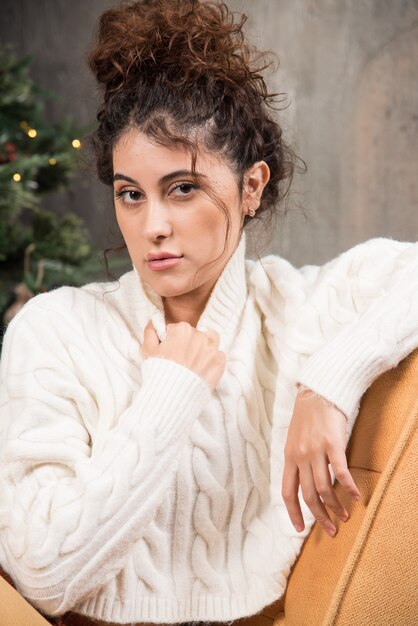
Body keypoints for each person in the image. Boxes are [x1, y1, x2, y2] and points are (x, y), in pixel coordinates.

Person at [0, 1, 417, 625]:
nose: (153, 227)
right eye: (130, 195)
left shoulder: (295, 308)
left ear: (251, 187)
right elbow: (43, 574)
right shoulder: (55, 330)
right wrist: (172, 391)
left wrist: (329, 382)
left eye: (183, 188)